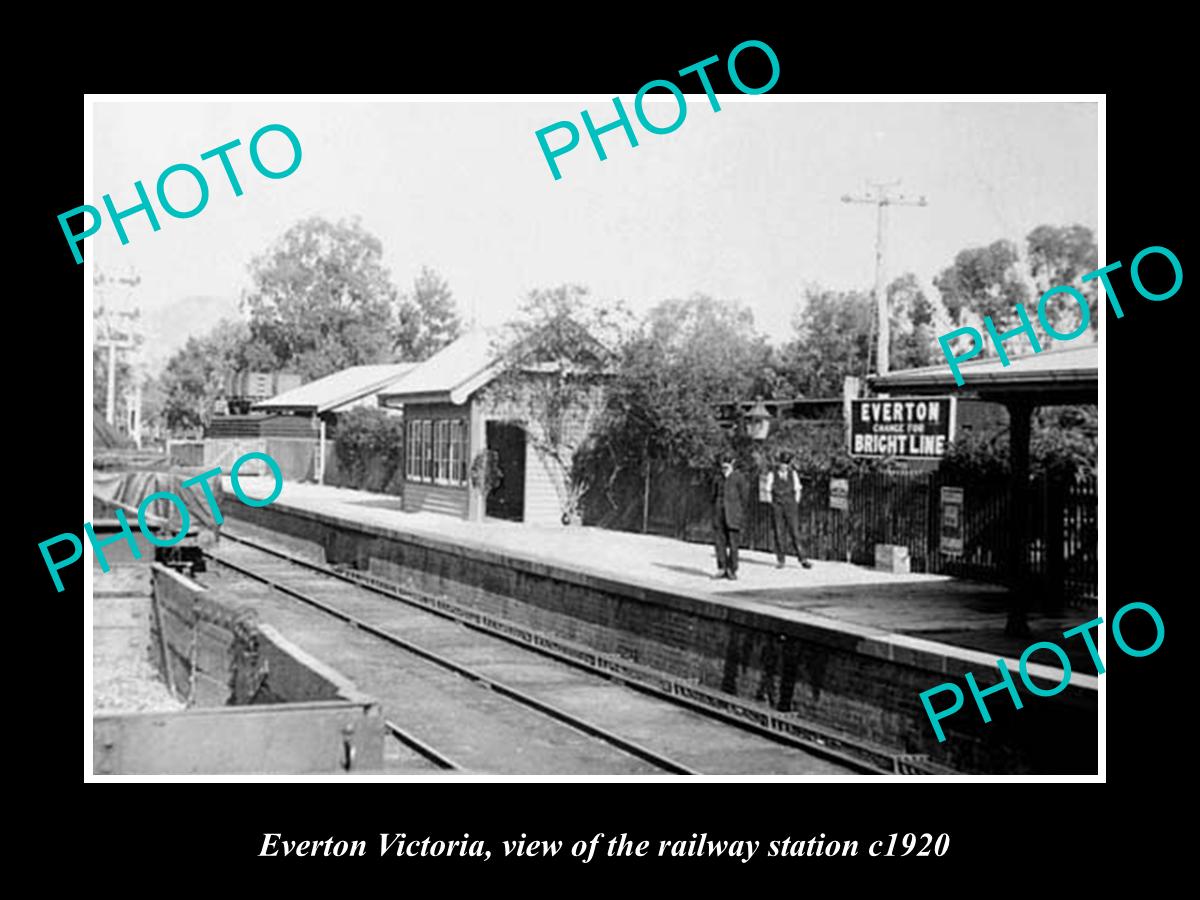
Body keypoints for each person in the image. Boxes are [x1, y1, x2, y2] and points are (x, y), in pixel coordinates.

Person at [765, 451, 813, 569]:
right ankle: (781, 560)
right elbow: (767, 490)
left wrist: (795, 502)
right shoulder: (772, 474)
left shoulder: (793, 474)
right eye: (782, 464)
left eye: (786, 464)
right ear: (779, 464)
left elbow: (797, 489)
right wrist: (772, 503)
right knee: (779, 532)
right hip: (777, 505)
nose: (784, 466)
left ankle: (802, 558)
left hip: (790, 506)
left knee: (795, 532)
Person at [711, 452, 748, 580]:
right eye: (723, 464)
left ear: (732, 464)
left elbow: (744, 498)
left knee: (733, 544)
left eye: (727, 464)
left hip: (733, 514)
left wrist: (739, 513)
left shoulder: (739, 478)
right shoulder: (717, 478)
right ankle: (721, 568)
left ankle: (732, 569)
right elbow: (712, 495)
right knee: (719, 542)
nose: (724, 467)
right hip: (719, 514)